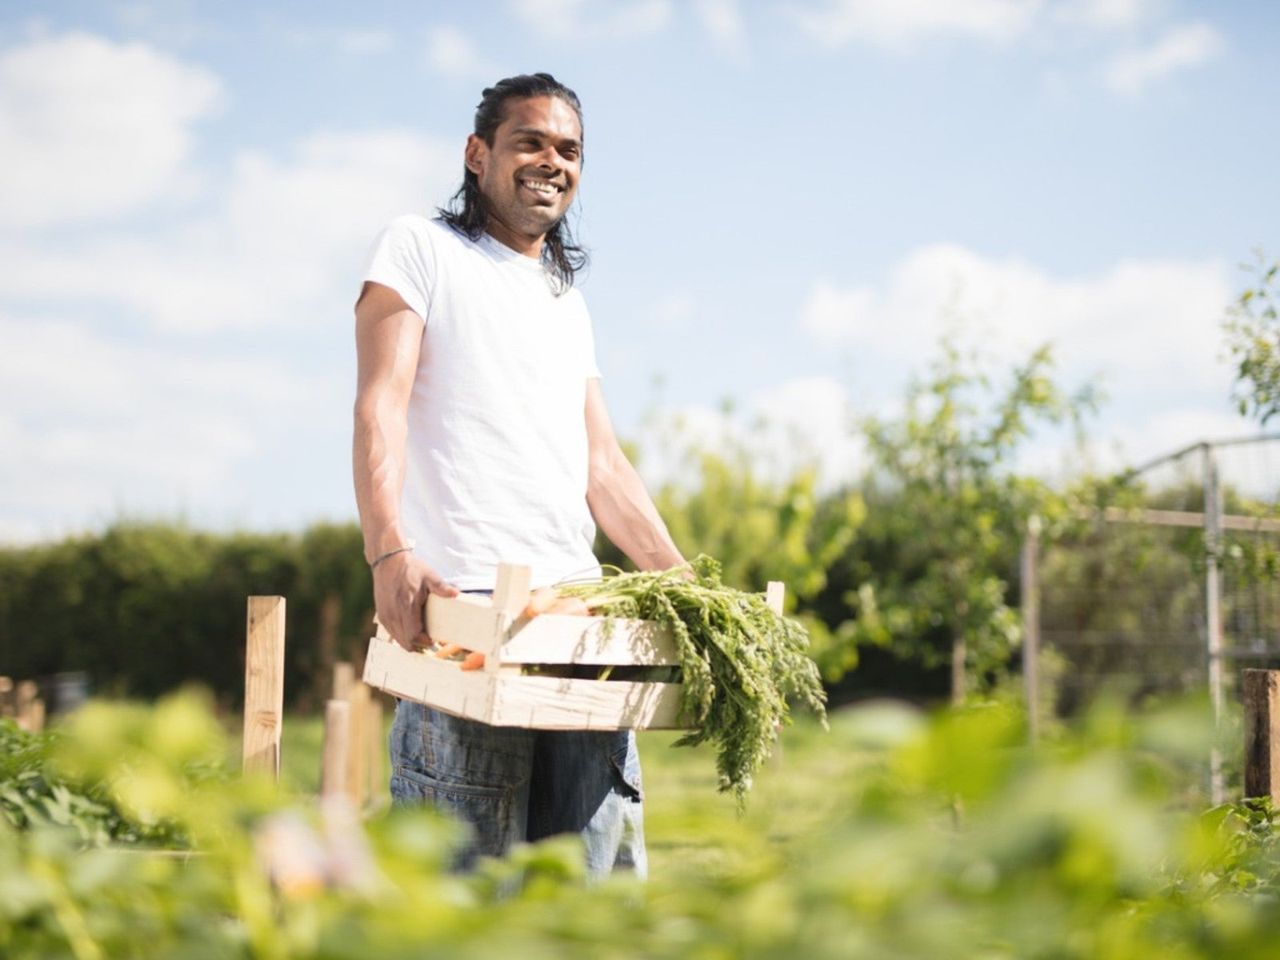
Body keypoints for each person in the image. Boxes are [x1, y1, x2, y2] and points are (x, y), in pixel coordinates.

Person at [351, 73, 685, 878]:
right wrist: (388, 549)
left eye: (568, 149)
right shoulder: (420, 248)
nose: (551, 161)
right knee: (465, 905)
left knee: (590, 907)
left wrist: (687, 587)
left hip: (579, 628)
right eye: (529, 141)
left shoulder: (565, 301)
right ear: (478, 154)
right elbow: (381, 407)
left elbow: (602, 466)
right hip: (464, 618)